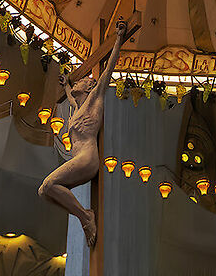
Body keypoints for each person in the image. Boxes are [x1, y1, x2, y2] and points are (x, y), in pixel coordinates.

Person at [38, 17, 140, 249]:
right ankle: (84, 216)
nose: (79, 81)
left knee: (49, 185)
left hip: (87, 158)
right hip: (77, 158)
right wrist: (66, 85)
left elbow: (108, 70)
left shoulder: (96, 98)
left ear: (90, 86)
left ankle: (85, 217)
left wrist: (119, 39)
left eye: (83, 80)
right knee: (43, 192)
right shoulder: (77, 109)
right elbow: (71, 98)